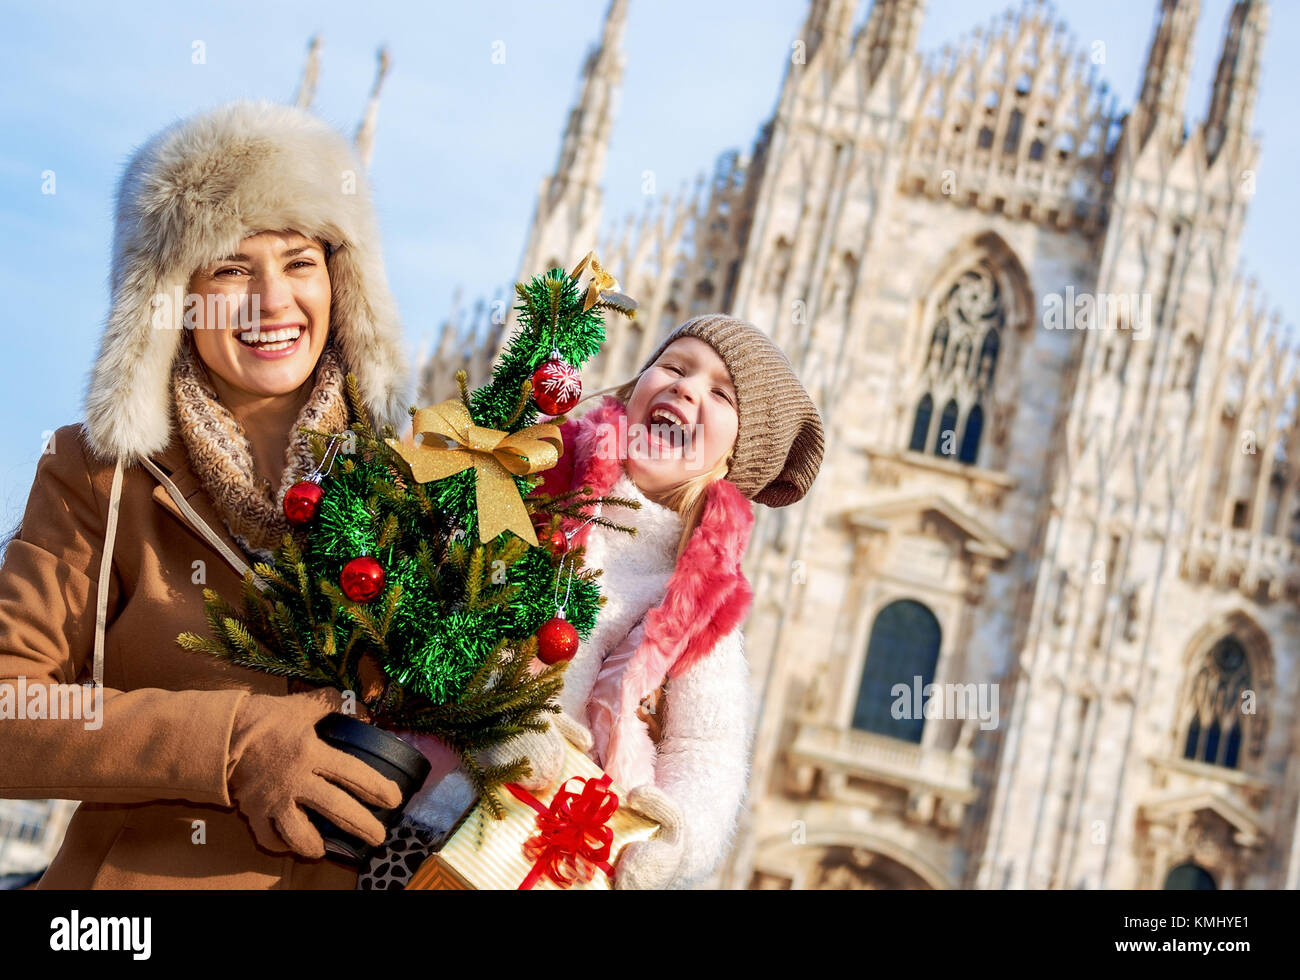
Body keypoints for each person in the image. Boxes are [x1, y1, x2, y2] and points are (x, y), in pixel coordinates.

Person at [0, 100, 548, 888]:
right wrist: (232, 743)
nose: (271, 302)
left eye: (299, 261)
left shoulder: (415, 482)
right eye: (229, 267)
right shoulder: (100, 474)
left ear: (340, 279)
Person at [363, 313, 825, 889]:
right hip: (424, 811)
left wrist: (673, 841)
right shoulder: (538, 487)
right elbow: (442, 605)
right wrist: (501, 715)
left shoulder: (700, 604)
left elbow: (705, 748)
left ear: (733, 461)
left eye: (720, 393)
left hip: (549, 859)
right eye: (674, 367)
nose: (686, 387)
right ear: (634, 390)